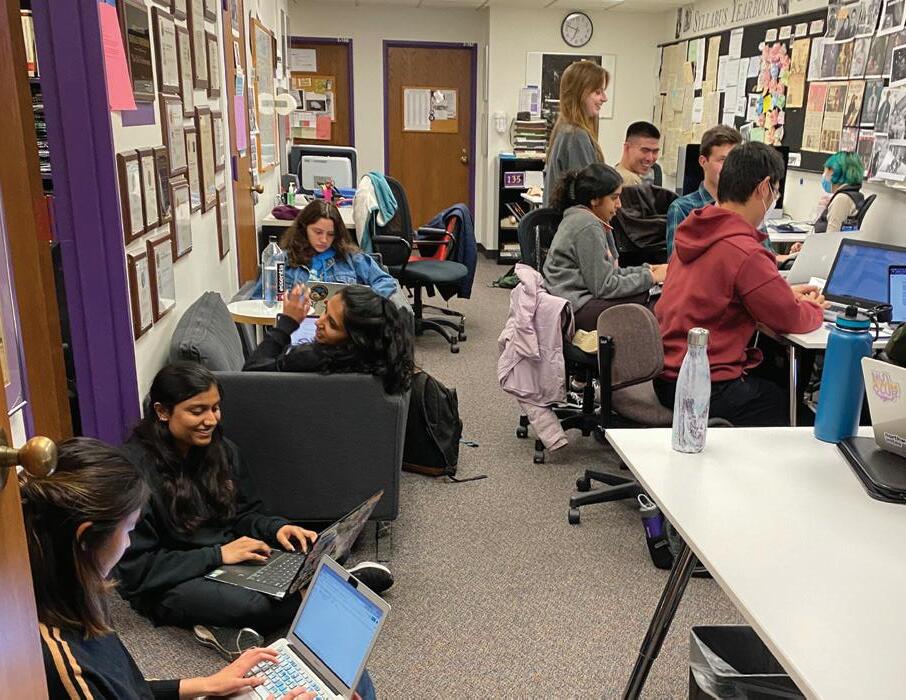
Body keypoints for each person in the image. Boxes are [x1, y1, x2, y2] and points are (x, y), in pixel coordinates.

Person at [115, 362, 393, 656]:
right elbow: (138, 571)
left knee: (313, 548)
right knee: (253, 606)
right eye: (197, 411)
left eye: (215, 408)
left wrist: (277, 528)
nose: (210, 420)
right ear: (162, 412)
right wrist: (218, 555)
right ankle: (336, 586)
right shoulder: (132, 474)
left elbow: (245, 514)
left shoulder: (222, 450)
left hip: (227, 557)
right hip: (168, 582)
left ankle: (232, 620)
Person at [25, 437, 326, 700]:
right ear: (87, 539)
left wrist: (204, 685)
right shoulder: (66, 664)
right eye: (128, 530)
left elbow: (129, 691)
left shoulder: (77, 599)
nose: (128, 543)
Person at [654, 142, 827, 427]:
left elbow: (719, 289)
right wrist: (815, 307)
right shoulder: (744, 250)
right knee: (800, 416)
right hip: (707, 385)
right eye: (775, 190)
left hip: (669, 374)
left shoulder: (695, 230)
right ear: (764, 187)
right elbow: (791, 318)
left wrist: (784, 292)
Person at [542, 164, 668, 331]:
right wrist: (650, 277)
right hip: (576, 308)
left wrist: (648, 270)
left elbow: (610, 273)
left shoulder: (590, 219)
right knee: (653, 301)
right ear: (594, 199)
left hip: (582, 299)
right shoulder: (587, 225)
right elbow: (604, 286)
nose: (619, 204)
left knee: (652, 294)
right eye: (614, 198)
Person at [244, 284, 414, 396]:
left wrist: (286, 324)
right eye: (325, 311)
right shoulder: (390, 365)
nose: (318, 321)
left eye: (332, 324)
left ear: (355, 340)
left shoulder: (307, 360)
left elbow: (249, 376)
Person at [252, 199, 398, 299]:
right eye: (317, 232)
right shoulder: (283, 260)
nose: (324, 240)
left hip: (342, 328)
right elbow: (258, 298)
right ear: (304, 228)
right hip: (297, 326)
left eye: (330, 234)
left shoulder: (351, 258)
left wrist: (362, 303)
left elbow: (386, 282)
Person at [665, 125, 743, 256]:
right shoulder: (682, 209)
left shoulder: (745, 205)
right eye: (723, 160)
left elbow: (767, 255)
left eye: (735, 161)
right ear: (703, 161)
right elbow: (676, 263)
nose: (730, 168)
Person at [543, 60, 609, 205]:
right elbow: (586, 195)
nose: (604, 98)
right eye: (597, 92)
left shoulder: (564, 129)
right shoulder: (576, 136)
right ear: (580, 93)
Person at [813, 150, 866, 233]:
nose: (824, 175)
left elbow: (831, 236)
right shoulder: (852, 195)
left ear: (835, 172)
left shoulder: (841, 199)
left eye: (826, 170)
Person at [615, 121, 661, 187]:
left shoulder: (615, 173)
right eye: (645, 150)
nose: (650, 158)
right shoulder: (629, 180)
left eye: (655, 151)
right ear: (627, 148)